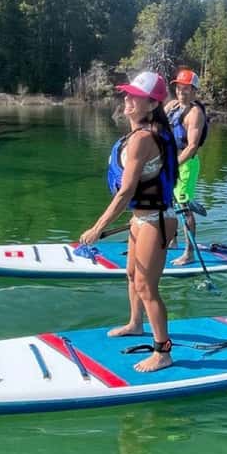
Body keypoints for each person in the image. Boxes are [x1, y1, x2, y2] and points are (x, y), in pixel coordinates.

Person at [79, 71, 179, 373]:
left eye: (135, 96)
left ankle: (163, 352)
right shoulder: (143, 133)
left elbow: (126, 191)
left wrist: (98, 227)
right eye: (127, 94)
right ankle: (136, 324)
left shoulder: (143, 139)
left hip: (155, 219)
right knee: (131, 275)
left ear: (152, 104)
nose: (128, 99)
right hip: (142, 219)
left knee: (147, 287)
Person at [164, 68, 208, 266]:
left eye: (186, 88)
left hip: (186, 165)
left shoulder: (195, 113)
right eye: (179, 87)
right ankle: (172, 242)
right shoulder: (172, 106)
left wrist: (174, 165)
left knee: (182, 207)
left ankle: (189, 253)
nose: (181, 91)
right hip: (171, 163)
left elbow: (191, 147)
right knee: (167, 203)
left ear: (194, 90)